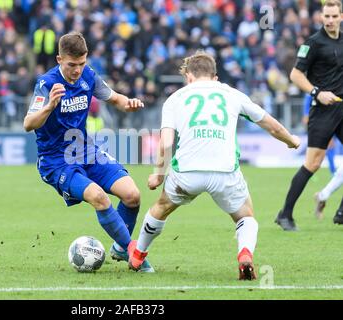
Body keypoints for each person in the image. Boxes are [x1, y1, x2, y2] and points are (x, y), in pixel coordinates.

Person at [127, 51, 300, 280]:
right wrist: (291, 140)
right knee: (245, 216)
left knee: (161, 207)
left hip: (187, 173)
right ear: (215, 76)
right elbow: (271, 125)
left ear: (188, 76)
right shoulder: (232, 94)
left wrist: (158, 175)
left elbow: (166, 143)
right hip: (224, 172)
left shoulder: (175, 99)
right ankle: (244, 253)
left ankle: (138, 255)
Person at [23, 32, 154, 272]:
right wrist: (50, 106)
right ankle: (134, 252)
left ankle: (120, 247)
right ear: (59, 59)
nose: (77, 70)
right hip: (56, 162)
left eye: (81, 64)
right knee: (99, 197)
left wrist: (129, 103)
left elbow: (115, 99)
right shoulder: (47, 84)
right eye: (72, 65)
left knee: (132, 195)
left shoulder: (89, 76)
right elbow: (29, 123)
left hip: (85, 151)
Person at [275, 0, 343, 231]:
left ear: (341, 16)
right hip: (322, 111)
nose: (331, 20)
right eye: (327, 16)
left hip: (341, 108)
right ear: (321, 17)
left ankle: (341, 213)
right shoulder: (314, 43)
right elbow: (295, 75)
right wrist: (317, 92)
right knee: (313, 163)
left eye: (334, 16)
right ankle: (285, 214)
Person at [302, 93, 336, 175]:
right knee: (328, 145)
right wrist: (306, 117)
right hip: (319, 121)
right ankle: (332, 170)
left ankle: (332, 169)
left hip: (330, 119)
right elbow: (307, 105)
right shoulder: (313, 91)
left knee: (330, 145)